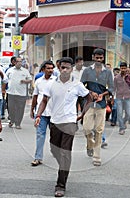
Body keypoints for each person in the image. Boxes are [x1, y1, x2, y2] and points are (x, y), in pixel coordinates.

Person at [34, 57, 92, 197]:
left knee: (65, 152)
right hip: (55, 122)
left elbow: (88, 97)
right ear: (58, 68)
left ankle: (61, 184)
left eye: (67, 67)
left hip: (70, 123)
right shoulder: (51, 84)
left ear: (72, 68)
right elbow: (44, 100)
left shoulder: (77, 84)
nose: (64, 70)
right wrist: (38, 115)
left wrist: (82, 114)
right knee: (55, 150)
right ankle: (64, 165)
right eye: (62, 67)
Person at [80, 48, 114, 166]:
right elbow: (81, 85)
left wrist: (102, 95)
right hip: (89, 104)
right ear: (93, 58)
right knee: (87, 129)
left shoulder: (108, 72)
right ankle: (90, 145)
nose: (99, 60)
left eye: (101, 58)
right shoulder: (87, 71)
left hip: (101, 104)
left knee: (99, 130)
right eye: (97, 57)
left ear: (103, 58)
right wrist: (90, 92)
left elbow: (111, 88)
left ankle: (97, 156)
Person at [30, 60, 56, 166]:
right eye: (48, 68)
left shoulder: (56, 81)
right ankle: (38, 157)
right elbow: (35, 96)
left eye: (51, 68)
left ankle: (54, 149)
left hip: (54, 113)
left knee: (54, 135)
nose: (50, 70)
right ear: (43, 69)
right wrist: (32, 109)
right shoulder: (38, 81)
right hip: (41, 113)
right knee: (40, 134)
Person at [6, 57, 32, 129]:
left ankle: (18, 123)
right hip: (11, 92)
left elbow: (30, 79)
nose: (20, 63)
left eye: (21, 61)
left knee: (20, 109)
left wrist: (25, 81)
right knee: (10, 108)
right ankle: (12, 120)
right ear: (14, 62)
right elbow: (5, 80)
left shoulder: (25, 71)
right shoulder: (10, 70)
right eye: (18, 61)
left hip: (21, 93)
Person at [113, 62, 130, 135]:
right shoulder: (116, 78)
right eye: (121, 68)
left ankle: (123, 122)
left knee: (128, 114)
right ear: (120, 68)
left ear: (126, 68)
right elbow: (114, 88)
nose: (123, 69)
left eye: (124, 68)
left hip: (127, 97)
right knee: (119, 113)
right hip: (119, 97)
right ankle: (121, 128)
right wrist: (112, 98)